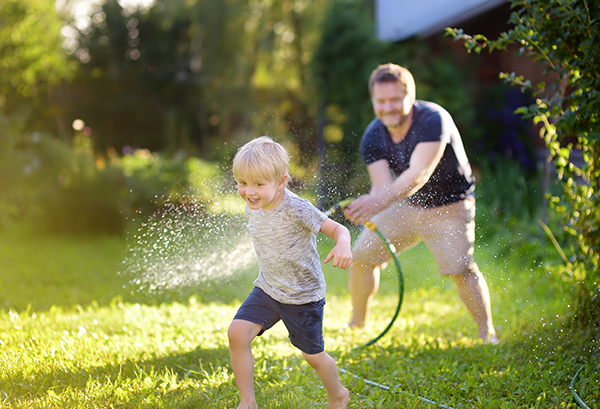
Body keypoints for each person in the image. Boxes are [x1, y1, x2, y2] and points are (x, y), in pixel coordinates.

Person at [343, 63, 498, 344]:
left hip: (449, 207)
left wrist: (380, 200)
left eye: (394, 99)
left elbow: (419, 174)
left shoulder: (433, 119)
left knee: (461, 269)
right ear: (373, 100)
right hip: (404, 204)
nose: (387, 107)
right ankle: (357, 324)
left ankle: (487, 335)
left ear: (410, 97)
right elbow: (381, 186)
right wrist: (368, 205)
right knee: (362, 256)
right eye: (381, 101)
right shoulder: (372, 136)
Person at [228, 136, 351, 409]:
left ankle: (338, 394)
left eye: (259, 184)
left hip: (302, 296)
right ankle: (247, 401)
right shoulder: (254, 204)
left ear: (281, 182)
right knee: (237, 332)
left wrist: (343, 244)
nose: (249, 192)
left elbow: (338, 229)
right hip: (269, 289)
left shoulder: (297, 208)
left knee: (313, 356)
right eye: (242, 183)